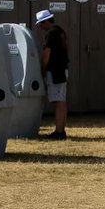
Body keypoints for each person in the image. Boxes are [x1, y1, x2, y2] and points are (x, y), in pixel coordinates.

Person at [35, 9, 69, 139]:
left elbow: (47, 53)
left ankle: (59, 132)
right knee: (61, 101)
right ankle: (61, 130)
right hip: (62, 69)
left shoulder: (51, 34)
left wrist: (43, 69)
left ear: (46, 21)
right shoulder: (60, 31)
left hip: (55, 71)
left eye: (41, 24)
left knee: (58, 102)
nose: (41, 27)